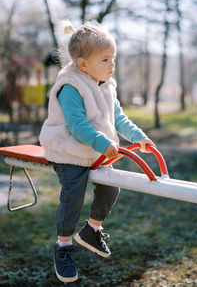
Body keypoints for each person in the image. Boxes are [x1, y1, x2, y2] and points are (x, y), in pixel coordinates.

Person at [39, 20, 155, 283]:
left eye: (113, 58)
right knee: (73, 193)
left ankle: (92, 230)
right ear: (83, 64)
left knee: (112, 185)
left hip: (95, 152)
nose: (112, 65)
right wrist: (104, 143)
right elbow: (77, 125)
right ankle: (63, 245)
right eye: (105, 59)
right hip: (68, 150)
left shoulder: (106, 84)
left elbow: (120, 118)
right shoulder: (71, 87)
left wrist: (139, 137)